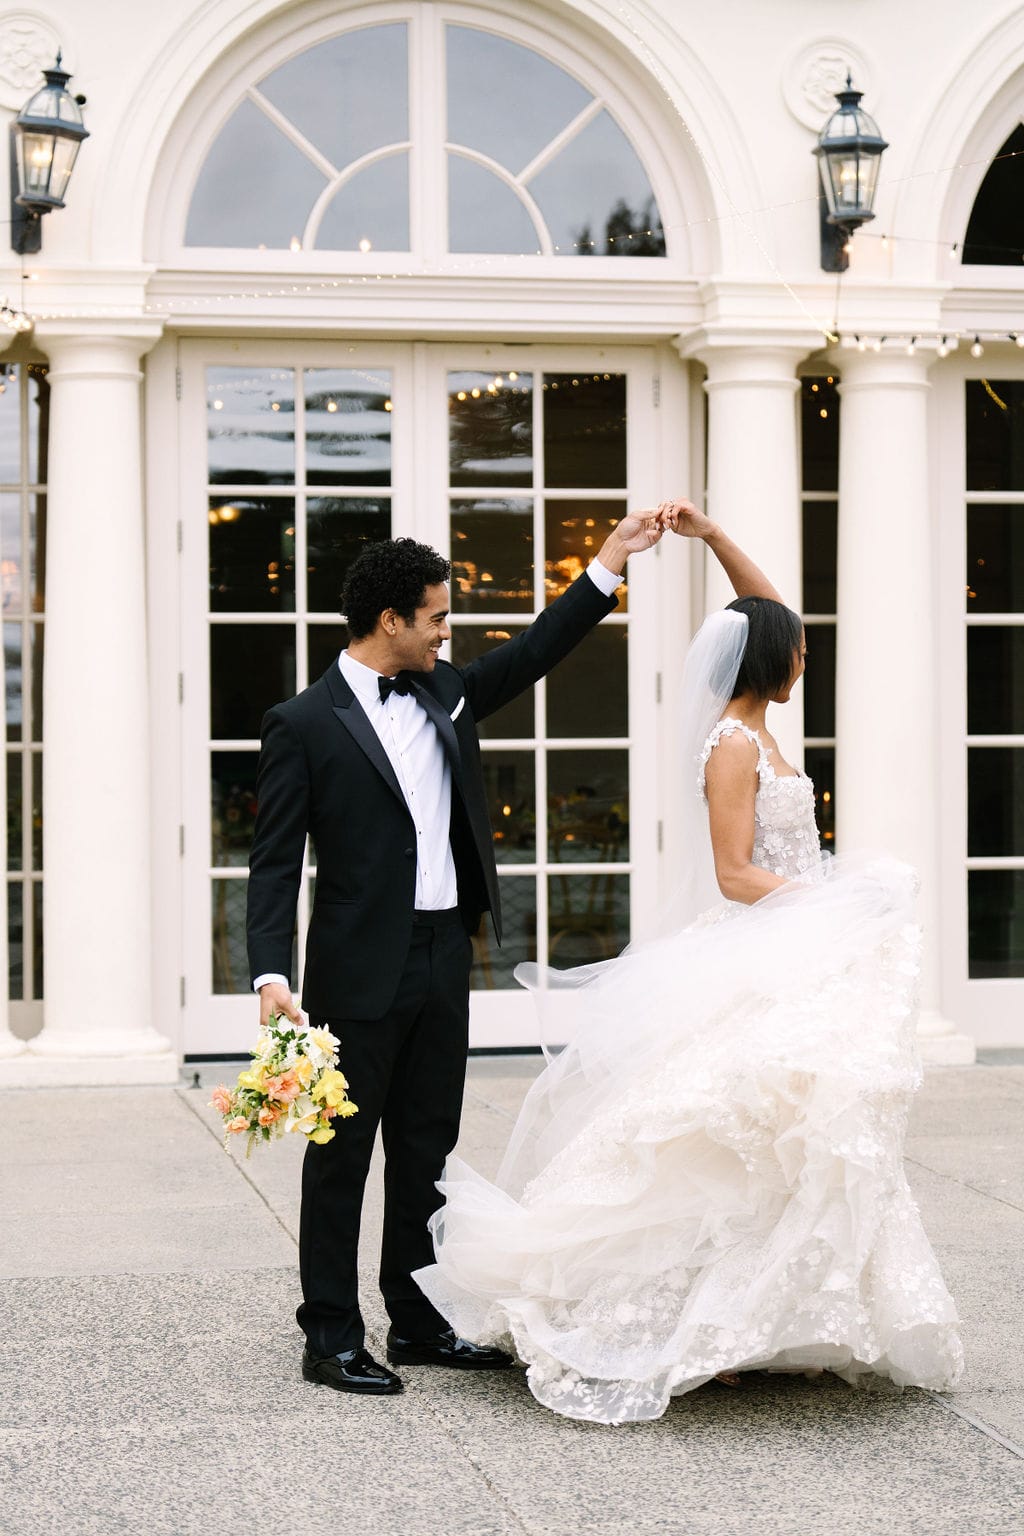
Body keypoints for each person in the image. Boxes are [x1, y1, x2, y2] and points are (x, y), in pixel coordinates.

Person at [414, 501, 964, 1424]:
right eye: (798, 652)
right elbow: (736, 873)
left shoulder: (763, 711)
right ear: (770, 663)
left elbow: (767, 609)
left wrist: (713, 540)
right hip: (766, 943)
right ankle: (684, 1318)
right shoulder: (734, 745)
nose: (805, 659)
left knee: (804, 1135)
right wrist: (832, 900)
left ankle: (756, 1317)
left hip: (801, 949)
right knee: (720, 1134)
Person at [246, 516, 664, 1395]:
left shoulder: (447, 694)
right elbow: (276, 860)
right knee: (343, 1155)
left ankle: (417, 1320)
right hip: (358, 969)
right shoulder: (302, 723)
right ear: (392, 619)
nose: (448, 632)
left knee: (427, 1146)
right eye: (436, 617)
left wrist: (609, 566)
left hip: (444, 953)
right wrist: (272, 974)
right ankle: (329, 1334)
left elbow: (539, 649)